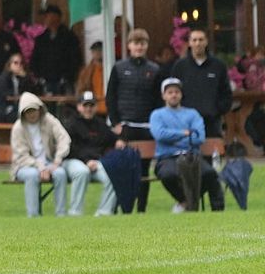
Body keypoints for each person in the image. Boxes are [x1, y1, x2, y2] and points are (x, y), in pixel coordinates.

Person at [105, 28, 162, 212]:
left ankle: (142, 207)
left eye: (142, 43)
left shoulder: (154, 69)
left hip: (146, 126)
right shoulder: (119, 68)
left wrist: (156, 123)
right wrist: (115, 123)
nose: (139, 47)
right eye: (135, 43)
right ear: (129, 45)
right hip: (126, 126)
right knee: (124, 167)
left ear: (146, 46)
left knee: (144, 170)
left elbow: (158, 100)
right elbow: (110, 97)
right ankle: (123, 206)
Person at [150, 78, 225, 213]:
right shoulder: (157, 115)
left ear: (181, 94)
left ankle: (218, 210)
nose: (174, 95)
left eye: (177, 92)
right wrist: (184, 133)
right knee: (168, 175)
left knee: (209, 173)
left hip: (191, 156)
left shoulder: (192, 114)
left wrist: (172, 138)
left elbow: (199, 137)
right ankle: (185, 202)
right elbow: (160, 135)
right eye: (170, 92)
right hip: (168, 157)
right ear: (164, 96)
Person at [10, 92, 72, 217]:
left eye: (34, 110)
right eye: (28, 111)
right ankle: (33, 216)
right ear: (23, 113)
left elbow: (64, 138)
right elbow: (21, 155)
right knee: (32, 175)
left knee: (60, 173)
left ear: (40, 109)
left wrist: (57, 160)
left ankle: (61, 214)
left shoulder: (49, 120)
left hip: (50, 163)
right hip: (24, 166)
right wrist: (40, 166)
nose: (32, 114)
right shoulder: (18, 128)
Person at [63, 91, 118, 216]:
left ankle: (104, 212)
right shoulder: (71, 124)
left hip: (96, 163)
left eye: (91, 105)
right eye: (85, 105)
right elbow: (70, 149)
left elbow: (112, 138)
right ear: (79, 107)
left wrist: (120, 139)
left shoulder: (100, 124)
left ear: (96, 107)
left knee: (114, 175)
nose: (88, 109)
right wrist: (86, 161)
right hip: (74, 161)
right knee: (82, 172)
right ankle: (75, 213)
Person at [170, 28, 232, 138]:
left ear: (206, 42)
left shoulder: (218, 66)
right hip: (186, 121)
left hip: (212, 122)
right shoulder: (180, 66)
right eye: (194, 40)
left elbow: (226, 92)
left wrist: (217, 110)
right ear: (189, 43)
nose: (197, 43)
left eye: (201, 40)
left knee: (212, 153)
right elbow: (172, 92)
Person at [30, 4, 82, 94]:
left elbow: (76, 59)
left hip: (64, 82)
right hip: (45, 82)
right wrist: (39, 76)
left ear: (56, 17)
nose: (45, 19)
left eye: (47, 16)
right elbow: (35, 59)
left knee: (65, 106)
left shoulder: (69, 37)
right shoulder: (41, 39)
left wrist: (68, 76)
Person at [0, 52, 40, 123]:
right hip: (0, 110)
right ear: (10, 65)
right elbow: (7, 95)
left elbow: (30, 91)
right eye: (16, 63)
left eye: (21, 63)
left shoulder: (19, 79)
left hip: (12, 107)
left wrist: (26, 78)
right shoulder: (3, 78)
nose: (19, 66)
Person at [75, 41, 106, 115]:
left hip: (108, 109)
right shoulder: (86, 72)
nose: (98, 53)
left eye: (100, 50)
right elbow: (81, 90)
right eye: (95, 50)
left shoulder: (110, 68)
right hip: (92, 109)